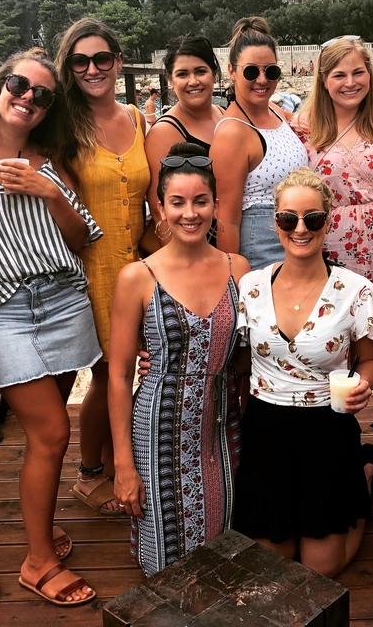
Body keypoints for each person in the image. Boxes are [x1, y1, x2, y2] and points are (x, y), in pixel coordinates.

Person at [0, 48, 101, 606]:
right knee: (52, 433)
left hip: (64, 302)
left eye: (43, 94)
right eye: (20, 84)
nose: (29, 98)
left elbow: (82, 238)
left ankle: (42, 530)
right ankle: (37, 561)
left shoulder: (50, 158)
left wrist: (51, 192)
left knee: (46, 438)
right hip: (2, 311)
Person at [233, 168, 373, 577]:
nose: (300, 228)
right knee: (274, 566)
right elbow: (235, 356)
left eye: (312, 219)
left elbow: (372, 360)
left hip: (328, 427)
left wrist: (365, 383)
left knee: (319, 571)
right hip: (266, 429)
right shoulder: (249, 286)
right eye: (289, 219)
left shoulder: (357, 289)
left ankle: (365, 477)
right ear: (276, 222)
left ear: (328, 221)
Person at [108, 142, 250, 575]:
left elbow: (245, 359)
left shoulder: (238, 269)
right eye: (178, 202)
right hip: (158, 434)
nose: (190, 213)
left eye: (200, 201)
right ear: (161, 209)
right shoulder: (138, 276)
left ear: (216, 205)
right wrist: (123, 466)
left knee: (225, 552)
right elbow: (117, 377)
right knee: (165, 565)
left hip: (222, 430)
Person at [55, 18, 151, 516]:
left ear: (117, 61)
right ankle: (90, 471)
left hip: (138, 266)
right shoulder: (62, 127)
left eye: (102, 59)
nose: (93, 69)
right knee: (107, 373)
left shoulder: (136, 117)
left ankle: (117, 461)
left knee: (132, 371)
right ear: (68, 68)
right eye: (80, 61)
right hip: (87, 269)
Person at [291, 37, 373, 326]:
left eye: (358, 72)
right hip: (329, 249)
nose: (350, 82)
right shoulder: (303, 128)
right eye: (339, 75)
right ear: (324, 80)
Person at [210, 17, 307, 270]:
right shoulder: (233, 132)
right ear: (231, 71)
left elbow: (316, 120)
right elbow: (227, 219)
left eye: (271, 71)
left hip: (298, 242)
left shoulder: (274, 110)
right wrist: (233, 279)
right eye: (251, 71)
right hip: (262, 253)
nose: (262, 80)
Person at [142, 36, 224, 251]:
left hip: (229, 246)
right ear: (170, 79)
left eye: (200, 71)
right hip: (193, 251)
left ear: (213, 74)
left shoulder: (225, 116)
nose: (193, 81)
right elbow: (160, 211)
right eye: (182, 74)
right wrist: (180, 266)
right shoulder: (165, 132)